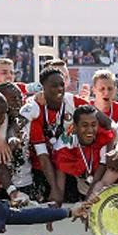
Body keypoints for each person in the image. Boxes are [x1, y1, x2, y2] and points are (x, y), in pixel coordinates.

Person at [22, 67, 90, 204]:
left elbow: (98, 119)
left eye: (62, 84)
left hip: (68, 169)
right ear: (43, 88)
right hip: (42, 170)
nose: (59, 88)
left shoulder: (74, 102)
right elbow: (42, 154)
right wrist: (55, 188)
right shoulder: (36, 109)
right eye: (54, 85)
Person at [52, 104, 116, 203]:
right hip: (82, 183)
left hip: (102, 183)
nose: (90, 130)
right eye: (85, 125)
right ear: (75, 127)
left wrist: (86, 205)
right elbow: (60, 172)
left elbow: (97, 179)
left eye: (94, 125)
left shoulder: (104, 138)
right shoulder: (64, 144)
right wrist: (57, 200)